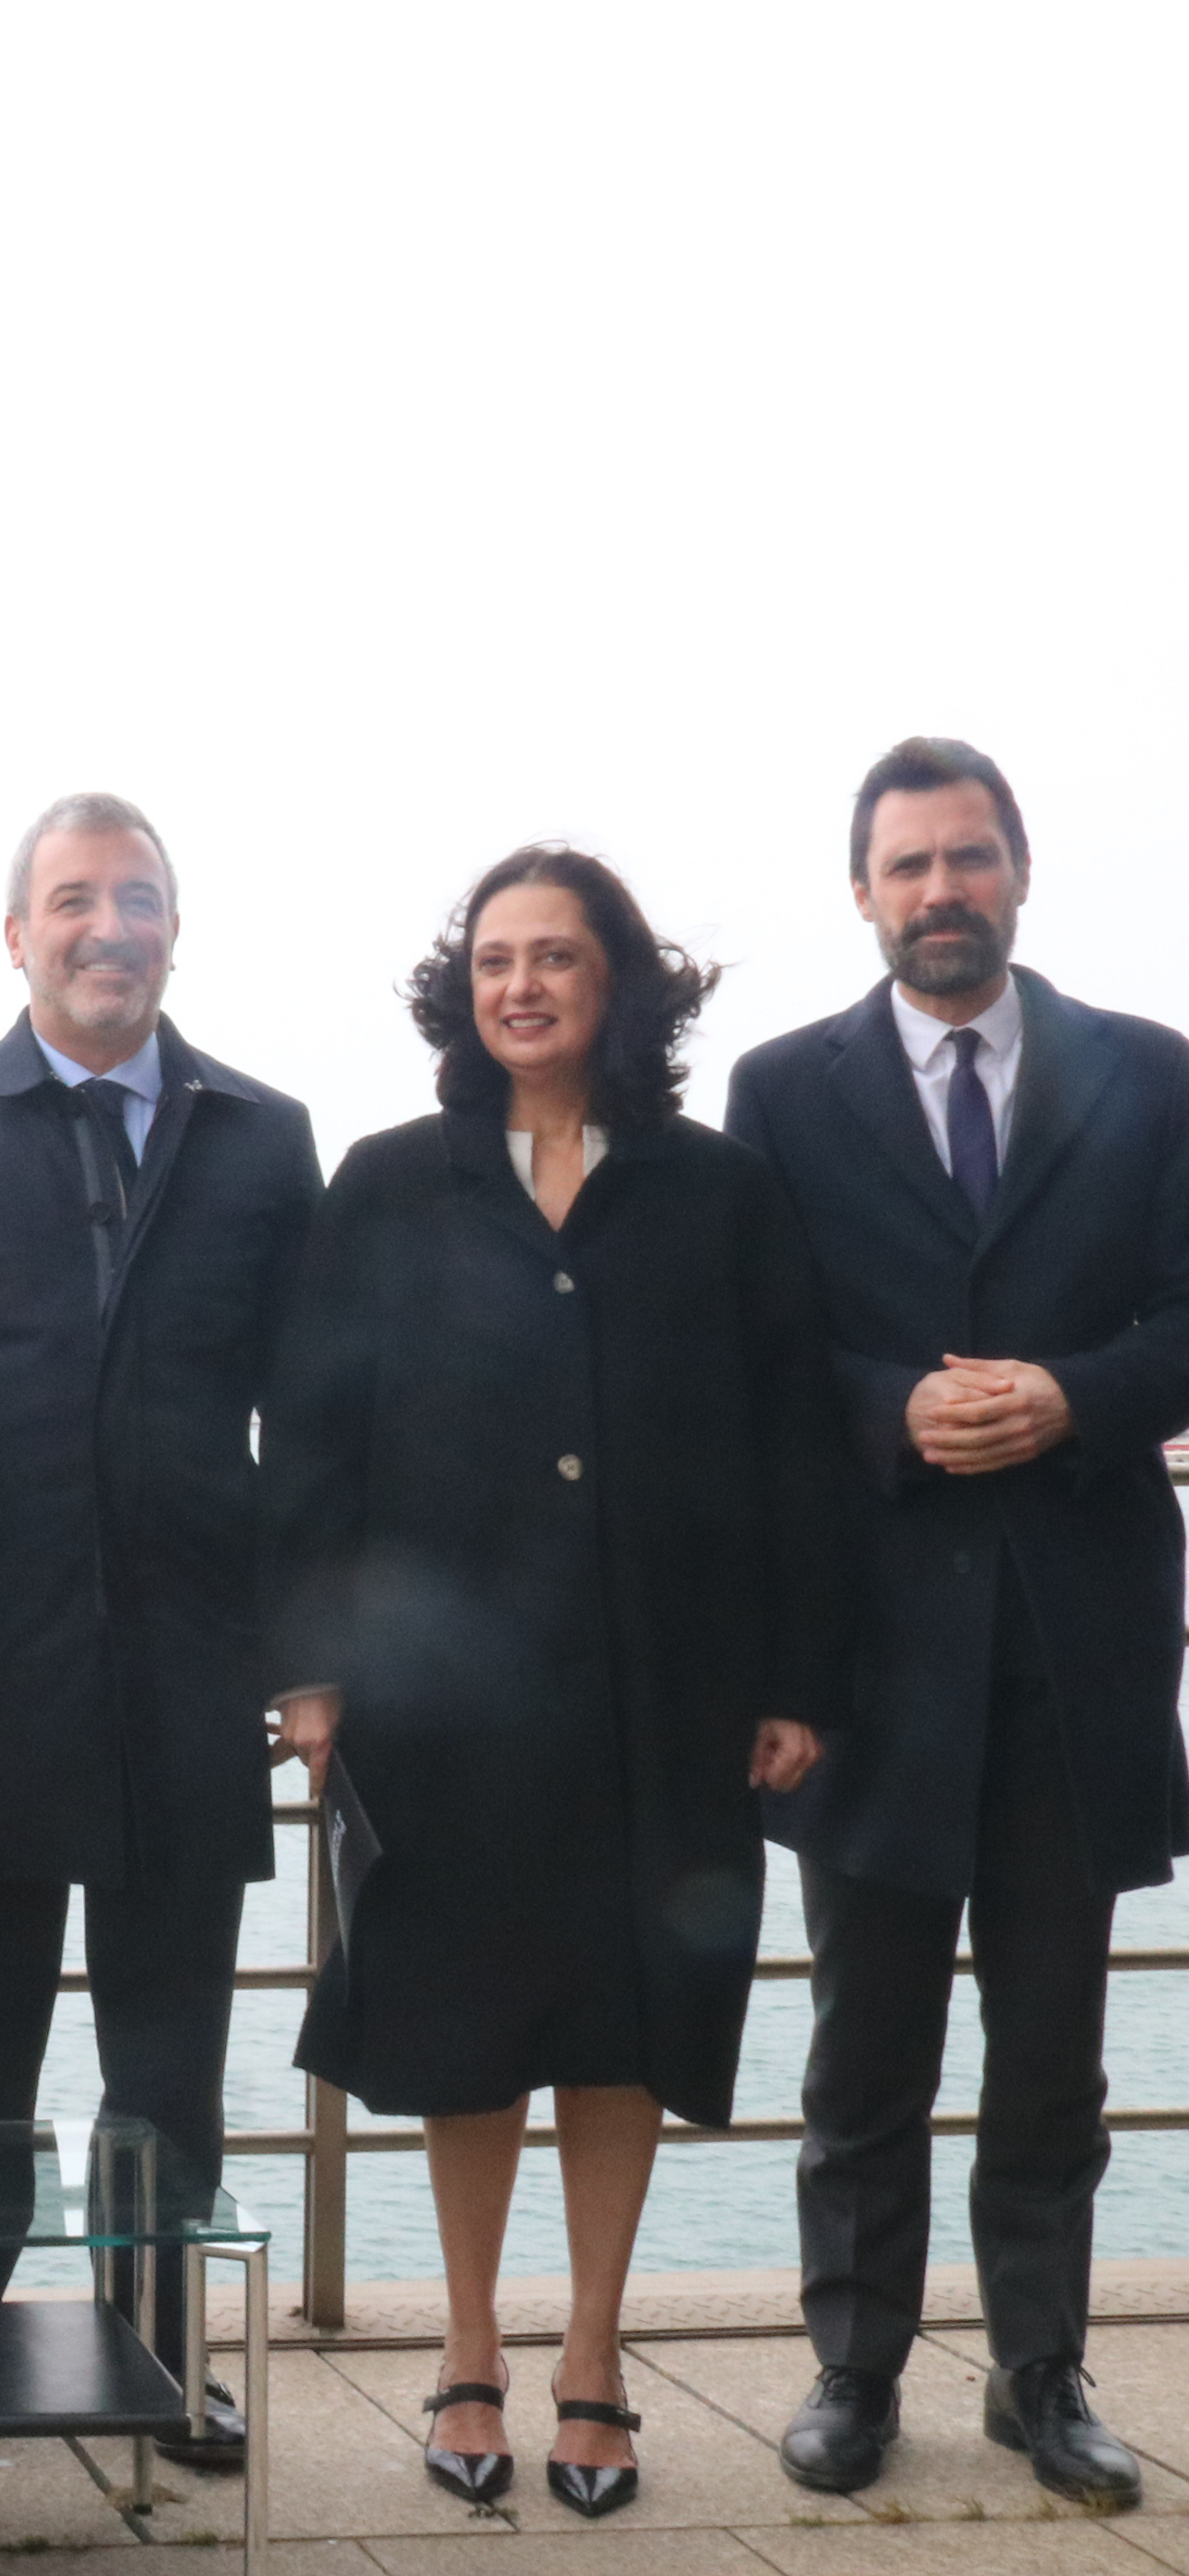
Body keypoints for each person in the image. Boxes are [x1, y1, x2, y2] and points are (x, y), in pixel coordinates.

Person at [265, 844, 846, 2520]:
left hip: (671, 1682)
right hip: (442, 1696)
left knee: (624, 2025)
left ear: (618, 985)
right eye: (498, 960)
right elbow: (310, 1437)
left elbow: (794, 1443)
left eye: (559, 959)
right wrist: (307, 1666)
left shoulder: (722, 1191)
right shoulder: (385, 1182)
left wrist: (799, 1675)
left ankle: (593, 2357)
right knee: (462, 2026)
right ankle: (467, 2346)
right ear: (467, 990)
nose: (523, 986)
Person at [725, 739, 1189, 2509]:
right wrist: (891, 1409)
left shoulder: (1153, 1074)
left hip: (1080, 1636)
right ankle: (854, 2366)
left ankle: (1044, 2368)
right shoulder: (781, 1090)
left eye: (970, 856)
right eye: (909, 863)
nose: (943, 890)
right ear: (863, 890)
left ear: (1019, 869)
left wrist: (1071, 1393)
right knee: (865, 2041)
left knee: (1057, 2045)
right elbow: (765, 1346)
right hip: (871, 1649)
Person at [0, 793, 318, 2471]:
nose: (105, 928)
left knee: (167, 2058)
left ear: (175, 932)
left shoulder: (264, 1135)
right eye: (72, 901)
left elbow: (313, 1421)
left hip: (193, 1676)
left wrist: (309, 1652)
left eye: (136, 900)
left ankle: (155, 2352)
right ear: (16, 935)